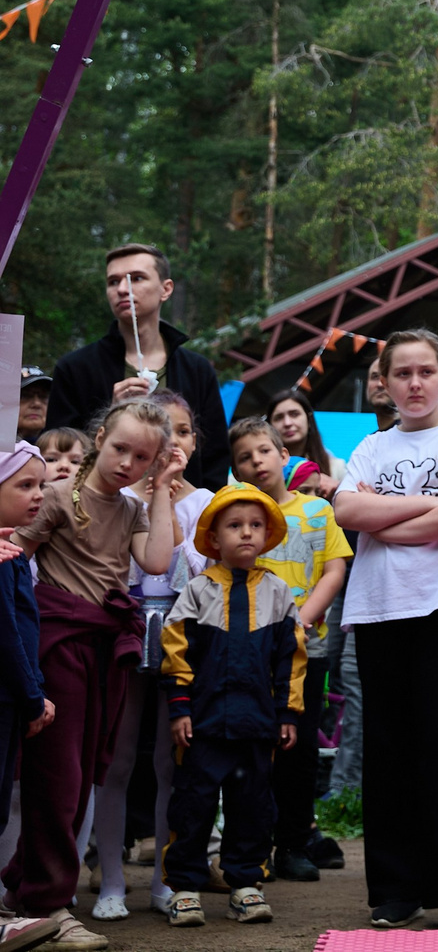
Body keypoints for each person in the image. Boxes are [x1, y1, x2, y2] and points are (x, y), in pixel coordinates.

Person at [328, 330, 438, 930]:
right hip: (379, 609)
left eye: (425, 371)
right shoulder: (371, 447)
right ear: (385, 381)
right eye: (402, 373)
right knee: (389, 750)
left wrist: (390, 517)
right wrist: (433, 511)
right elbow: (347, 512)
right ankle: (396, 889)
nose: (415, 383)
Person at [3, 397, 178, 948]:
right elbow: (14, 550)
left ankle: (25, 891)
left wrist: (163, 492)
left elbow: (155, 564)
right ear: (101, 437)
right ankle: (49, 903)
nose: (127, 462)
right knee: (59, 778)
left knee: (79, 777)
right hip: (58, 643)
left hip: (105, 648)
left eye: (142, 457)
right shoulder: (55, 497)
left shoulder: (132, 508)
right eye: (121, 447)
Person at [156, 483, 303, 929]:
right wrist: (180, 710)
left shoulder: (279, 593)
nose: (246, 534)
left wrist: (288, 714)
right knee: (192, 806)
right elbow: (175, 653)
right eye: (234, 526)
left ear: (268, 534)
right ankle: (183, 888)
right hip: (203, 726)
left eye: (256, 526)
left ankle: (245, 885)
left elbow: (291, 658)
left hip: (257, 726)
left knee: (253, 807)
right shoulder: (197, 591)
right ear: (214, 538)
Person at [89, 391, 210, 922]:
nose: (173, 444)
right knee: (114, 759)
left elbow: (202, 569)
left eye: (183, 432)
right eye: (164, 434)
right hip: (123, 631)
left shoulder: (204, 501)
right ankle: (111, 879)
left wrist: (168, 496)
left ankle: (166, 879)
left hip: (180, 637)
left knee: (171, 760)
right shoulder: (118, 497)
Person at [226, 418, 349, 885]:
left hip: (305, 654)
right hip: (246, 653)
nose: (256, 462)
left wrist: (299, 621)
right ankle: (250, 847)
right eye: (244, 457)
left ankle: (294, 843)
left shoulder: (318, 512)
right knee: (251, 751)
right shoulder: (236, 513)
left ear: (284, 455)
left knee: (297, 752)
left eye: (263, 451)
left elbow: (334, 569)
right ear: (235, 469)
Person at [47, 249, 227, 493]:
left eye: (136, 278)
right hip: (98, 512)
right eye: (113, 281)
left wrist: (206, 515)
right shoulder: (75, 368)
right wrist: (111, 416)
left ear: (166, 289)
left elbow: (215, 456)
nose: (122, 289)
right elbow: (57, 450)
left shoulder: (197, 370)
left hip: (181, 513)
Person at [0, 440, 56, 952]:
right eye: (24, 485)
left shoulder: (12, 550)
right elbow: (6, 635)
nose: (39, 495)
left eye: (41, 484)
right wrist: (33, 695)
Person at [263, 395, 335, 499]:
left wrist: (337, 488)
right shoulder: (257, 468)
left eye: (295, 414)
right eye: (279, 417)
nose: (287, 423)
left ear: (309, 419)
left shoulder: (335, 467)